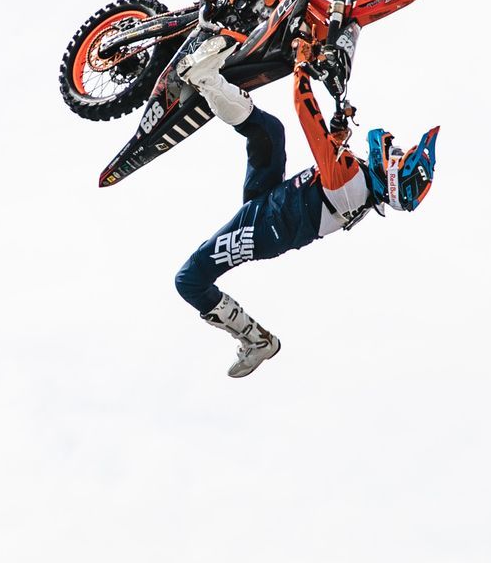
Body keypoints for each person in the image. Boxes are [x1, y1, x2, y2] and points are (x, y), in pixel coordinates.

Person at [171, 31, 439, 377]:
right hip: (272, 204)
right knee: (270, 132)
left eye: (399, 156)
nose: (394, 150)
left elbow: (306, 113)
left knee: (189, 279)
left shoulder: (348, 179)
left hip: (262, 229)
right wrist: (338, 132)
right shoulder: (356, 183)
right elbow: (327, 160)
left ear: (393, 174)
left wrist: (301, 65)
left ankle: (255, 339)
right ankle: (208, 80)